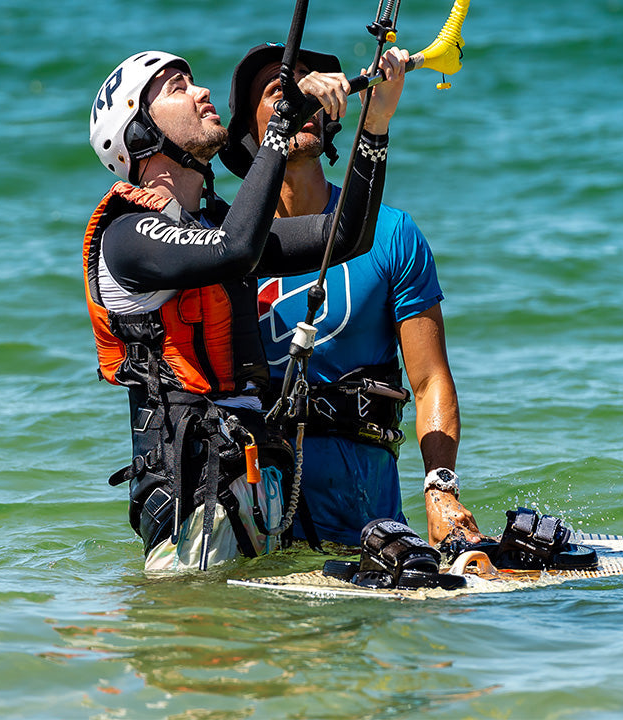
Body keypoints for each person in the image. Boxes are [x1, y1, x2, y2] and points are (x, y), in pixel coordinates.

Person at [83, 47, 407, 570]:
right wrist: (279, 127)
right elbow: (235, 251)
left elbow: (346, 236)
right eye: (176, 87)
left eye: (192, 80)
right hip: (192, 514)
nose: (200, 91)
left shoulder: (215, 228)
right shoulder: (127, 236)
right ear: (139, 133)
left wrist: (375, 125)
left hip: (248, 500)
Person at [220, 43, 482, 550]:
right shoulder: (222, 245)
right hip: (259, 537)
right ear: (253, 133)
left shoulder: (390, 234)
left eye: (307, 88)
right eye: (279, 92)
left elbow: (429, 380)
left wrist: (440, 489)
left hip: (371, 532)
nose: (298, 98)